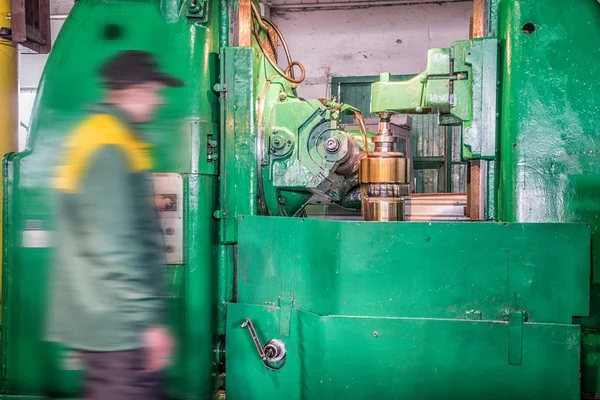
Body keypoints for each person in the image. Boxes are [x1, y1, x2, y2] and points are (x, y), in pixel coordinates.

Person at [48, 50, 183, 400]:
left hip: (107, 321)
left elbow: (100, 220)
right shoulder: (108, 142)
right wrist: (147, 322)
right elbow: (114, 246)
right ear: (135, 90)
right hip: (118, 327)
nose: (158, 100)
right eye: (154, 91)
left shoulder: (110, 137)